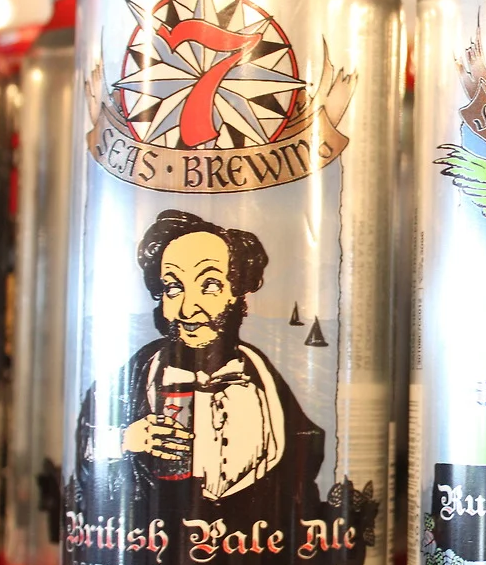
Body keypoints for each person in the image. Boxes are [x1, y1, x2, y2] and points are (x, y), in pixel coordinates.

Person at [74, 209, 323, 527]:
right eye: (173, 287)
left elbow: (304, 466)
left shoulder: (270, 386)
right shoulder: (122, 385)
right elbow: (85, 454)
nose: (188, 308)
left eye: (209, 285)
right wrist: (125, 440)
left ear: (240, 294)